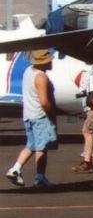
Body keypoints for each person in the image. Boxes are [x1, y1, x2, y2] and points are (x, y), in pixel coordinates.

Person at [6, 49, 59, 189]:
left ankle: (15, 169)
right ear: (44, 62)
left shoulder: (29, 71)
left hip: (28, 114)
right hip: (40, 115)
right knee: (42, 148)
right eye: (49, 59)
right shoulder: (41, 76)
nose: (52, 61)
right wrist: (52, 114)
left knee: (31, 145)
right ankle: (39, 178)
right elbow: (44, 102)